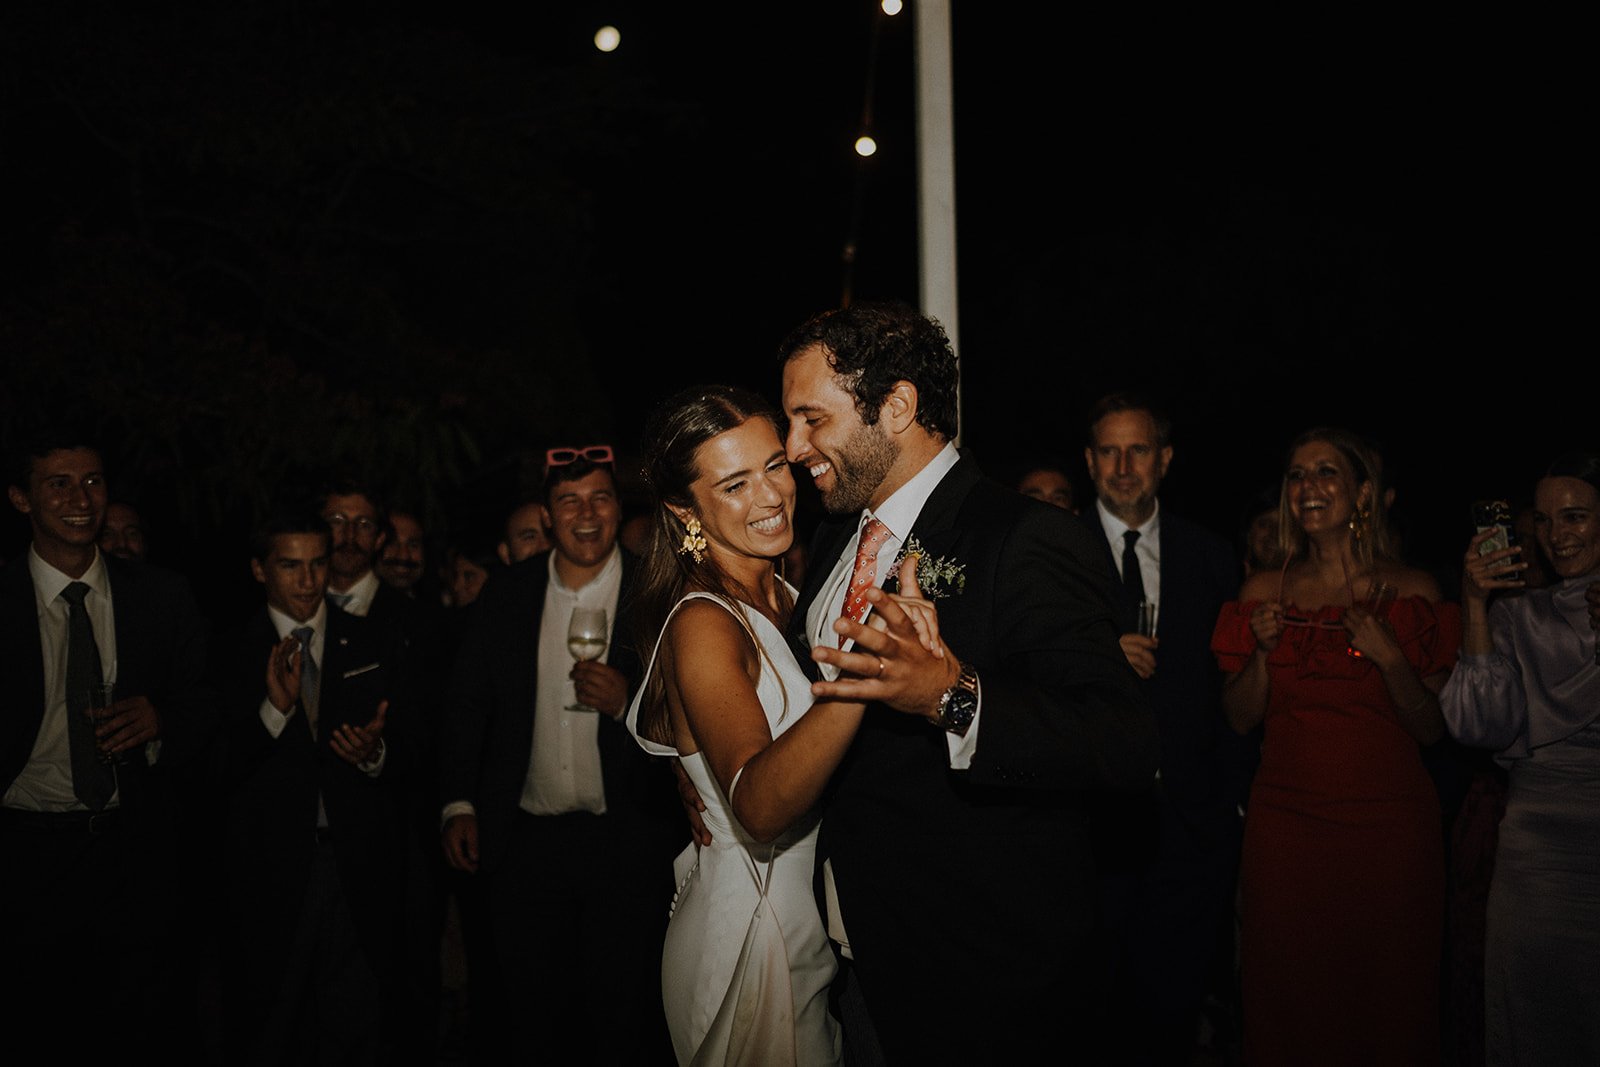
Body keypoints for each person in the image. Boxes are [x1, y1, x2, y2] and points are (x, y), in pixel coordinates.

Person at [778, 301, 1158, 1062]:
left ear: (897, 406)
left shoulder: (1026, 537)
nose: (793, 448)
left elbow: (1122, 741)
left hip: (978, 975)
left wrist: (953, 697)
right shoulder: (834, 533)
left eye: (811, 419)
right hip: (847, 950)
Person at [627, 383, 905, 1065]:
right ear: (684, 509)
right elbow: (755, 805)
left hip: (805, 922)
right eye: (735, 484)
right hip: (753, 932)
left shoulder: (787, 593)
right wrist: (864, 674)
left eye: (775, 466)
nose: (772, 495)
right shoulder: (702, 620)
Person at [1211, 426, 1460, 1066]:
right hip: (1287, 831)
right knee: (1290, 1000)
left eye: (1326, 472)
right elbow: (1239, 718)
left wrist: (1391, 659)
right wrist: (1261, 655)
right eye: (1297, 475)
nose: (1308, 487)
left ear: (1363, 493)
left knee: (1387, 1002)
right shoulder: (1261, 593)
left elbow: (1433, 729)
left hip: (1389, 834)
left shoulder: (1414, 591)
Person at [438, 445, 681, 1064]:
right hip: (526, 847)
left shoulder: (656, 591)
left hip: (626, 847)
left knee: (623, 1018)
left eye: (600, 498)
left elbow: (689, 712)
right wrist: (459, 803)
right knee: (533, 1018)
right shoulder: (507, 595)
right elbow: (467, 704)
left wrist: (628, 705)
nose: (587, 514)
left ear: (618, 507)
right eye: (569, 501)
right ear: (548, 517)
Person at [1, 431, 211, 1062]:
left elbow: (207, 706)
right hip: (25, 853)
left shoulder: (162, 595)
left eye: (92, 481)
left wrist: (161, 719)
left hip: (133, 850)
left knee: (138, 1031)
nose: (81, 499)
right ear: (21, 499)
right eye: (59, 484)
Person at [1077, 392, 1247, 1065]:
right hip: (1086, 827)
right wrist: (1099, 655)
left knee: (1172, 1017)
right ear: (1089, 461)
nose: (1124, 467)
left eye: (1138, 450)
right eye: (1109, 451)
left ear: (1165, 459)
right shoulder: (1053, 549)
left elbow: (1230, 686)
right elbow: (1021, 674)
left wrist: (1227, 805)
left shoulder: (1210, 555)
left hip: (1189, 827)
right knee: (1090, 1018)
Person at [215, 507, 411, 1064]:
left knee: (356, 1022)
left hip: (356, 866)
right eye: (290, 565)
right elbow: (210, 767)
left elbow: (416, 744)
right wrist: (273, 712)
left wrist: (376, 754)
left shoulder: (371, 639)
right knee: (271, 1025)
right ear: (260, 570)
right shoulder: (229, 647)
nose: (307, 580)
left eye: (317, 564)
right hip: (268, 873)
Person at [1439, 451, 1600, 1066]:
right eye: (1544, 520)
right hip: (1538, 868)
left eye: (1575, 516)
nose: (1556, 536)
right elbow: (1478, 726)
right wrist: (1473, 602)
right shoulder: (1519, 615)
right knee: (1536, 1030)